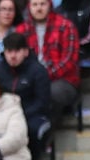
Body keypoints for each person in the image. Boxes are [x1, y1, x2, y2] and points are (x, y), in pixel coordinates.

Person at [15, 0, 79, 130]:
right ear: (29, 7)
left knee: (51, 93)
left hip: (61, 80)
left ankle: (47, 133)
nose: (39, 8)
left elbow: (69, 60)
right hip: (31, 78)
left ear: (50, 5)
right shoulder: (21, 30)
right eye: (35, 5)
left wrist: (42, 78)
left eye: (42, 4)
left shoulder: (66, 26)